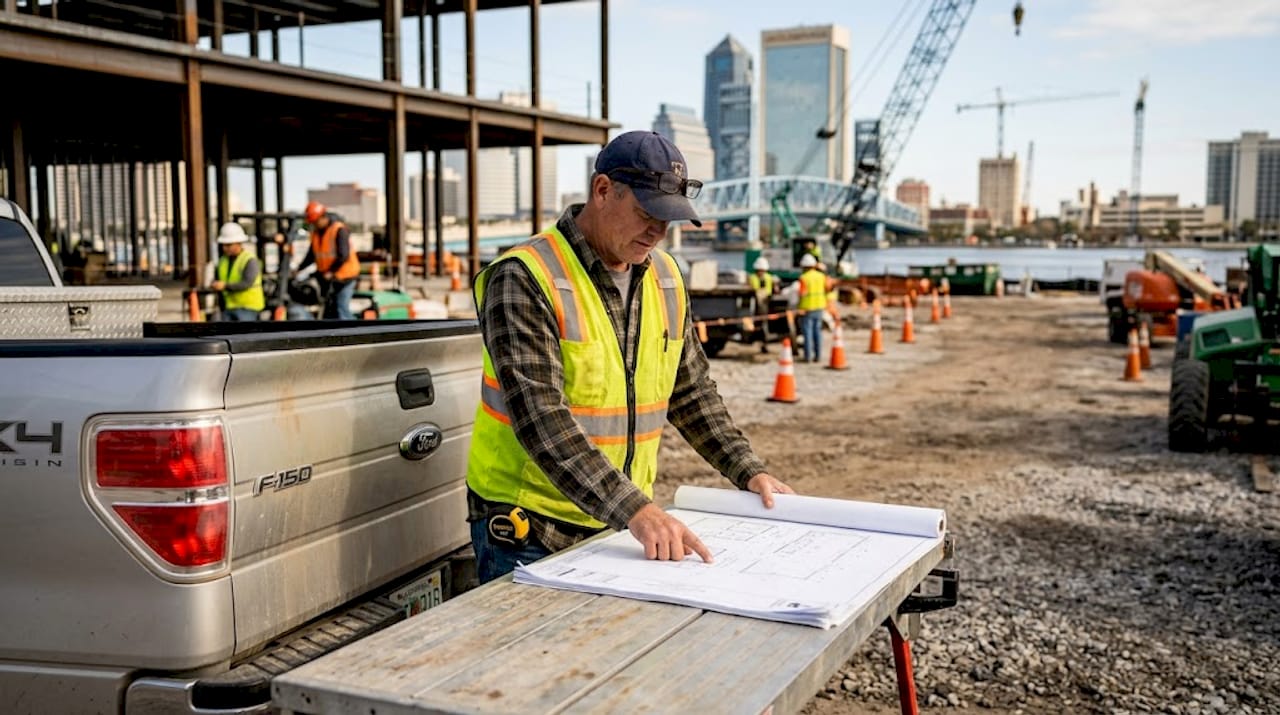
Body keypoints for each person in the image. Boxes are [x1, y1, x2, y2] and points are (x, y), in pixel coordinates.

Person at [466, 130, 795, 583]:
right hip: (529, 528)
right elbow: (541, 418)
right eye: (646, 214)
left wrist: (747, 470)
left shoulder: (665, 276)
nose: (658, 233)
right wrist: (637, 510)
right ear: (603, 191)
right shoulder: (524, 277)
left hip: (615, 522)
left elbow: (691, 391)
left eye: (668, 220)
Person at [299, 201, 360, 319]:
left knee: (341, 308)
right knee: (329, 310)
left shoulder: (339, 230)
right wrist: (299, 269)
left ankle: (353, 329)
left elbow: (343, 255)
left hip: (345, 277)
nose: (314, 225)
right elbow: (311, 255)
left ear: (323, 217)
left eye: (315, 222)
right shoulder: (316, 234)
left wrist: (331, 271)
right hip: (329, 278)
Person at [210, 222, 265, 321]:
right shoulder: (223, 261)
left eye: (229, 245)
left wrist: (224, 286)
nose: (225, 248)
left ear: (238, 243)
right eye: (224, 245)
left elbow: (246, 283)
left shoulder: (249, 260)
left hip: (248, 307)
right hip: (229, 306)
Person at [797, 253, 830, 363]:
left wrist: (798, 305)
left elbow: (802, 294)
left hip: (807, 308)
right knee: (817, 332)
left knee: (808, 333)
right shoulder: (821, 276)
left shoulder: (803, 278)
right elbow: (827, 289)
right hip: (819, 307)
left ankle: (808, 357)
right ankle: (818, 356)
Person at [749, 256, 778, 353]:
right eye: (759, 270)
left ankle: (763, 342)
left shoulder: (769, 278)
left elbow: (774, 289)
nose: (761, 272)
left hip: (766, 303)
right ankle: (757, 340)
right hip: (756, 303)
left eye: (762, 270)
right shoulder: (753, 277)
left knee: (763, 324)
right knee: (758, 324)